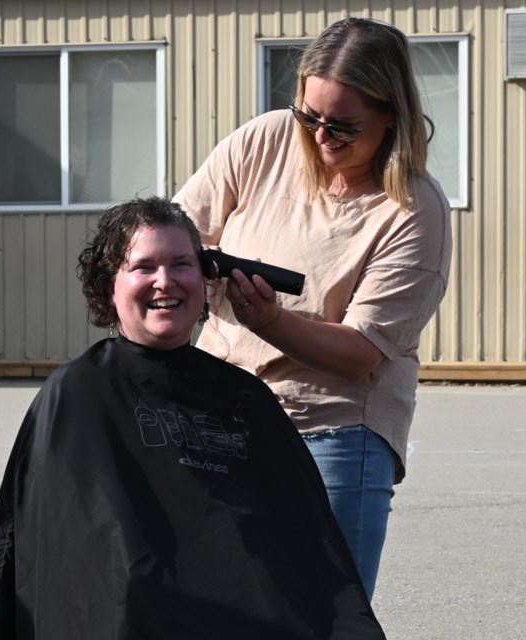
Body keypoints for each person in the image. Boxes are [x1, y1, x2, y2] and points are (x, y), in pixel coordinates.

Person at [0, 196, 386, 639]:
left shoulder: (246, 397)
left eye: (180, 265)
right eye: (143, 267)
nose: (164, 282)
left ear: (205, 277)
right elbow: (75, 556)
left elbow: (307, 547)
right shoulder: (79, 394)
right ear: (109, 285)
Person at [174, 17, 453, 600]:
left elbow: (358, 355)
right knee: (210, 604)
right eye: (310, 115)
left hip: (332, 433)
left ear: (391, 116)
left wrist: (271, 320)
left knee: (324, 611)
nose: (321, 136)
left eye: (343, 127)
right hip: (219, 412)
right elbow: (175, 236)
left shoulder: (413, 209)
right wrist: (190, 262)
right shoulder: (265, 140)